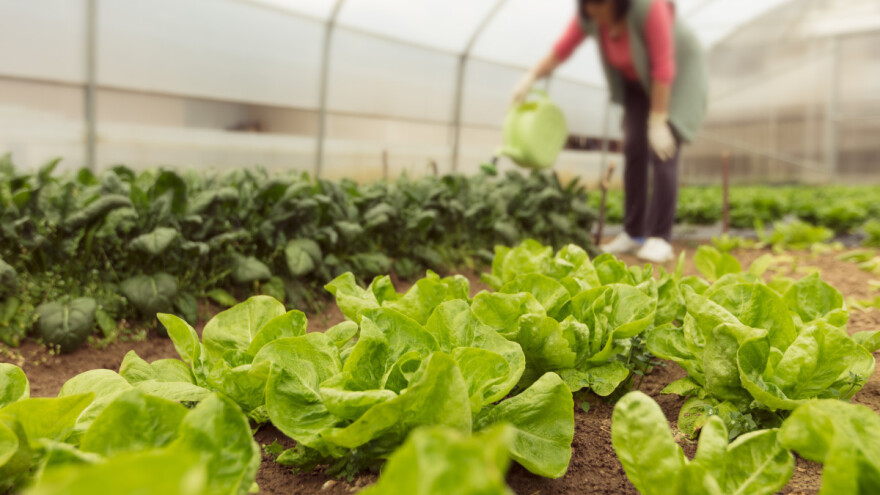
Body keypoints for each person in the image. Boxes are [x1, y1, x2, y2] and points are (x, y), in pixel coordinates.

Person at [512, 0, 707, 263]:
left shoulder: (650, 7)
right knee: (634, 147)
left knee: (664, 149)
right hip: (636, 84)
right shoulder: (589, 17)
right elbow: (562, 50)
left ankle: (660, 237)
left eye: (600, 3)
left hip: (677, 76)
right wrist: (531, 76)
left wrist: (659, 120)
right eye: (588, 4)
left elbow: (663, 67)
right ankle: (634, 233)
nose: (593, 10)